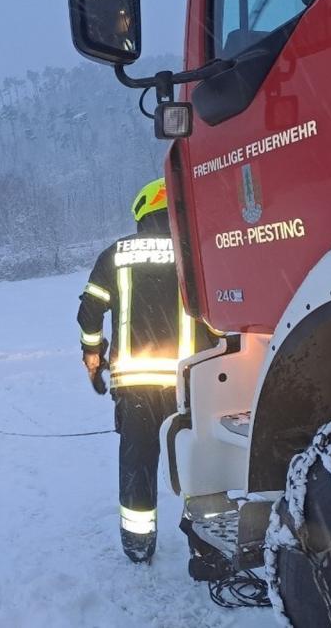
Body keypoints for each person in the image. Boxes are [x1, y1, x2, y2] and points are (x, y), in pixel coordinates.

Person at [76, 178, 208, 564]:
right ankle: (206, 541)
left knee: (137, 460)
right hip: (191, 384)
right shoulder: (195, 249)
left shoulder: (115, 255)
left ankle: (138, 544)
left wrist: (93, 356)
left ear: (142, 213)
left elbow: (89, 312)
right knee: (196, 460)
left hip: (135, 386)